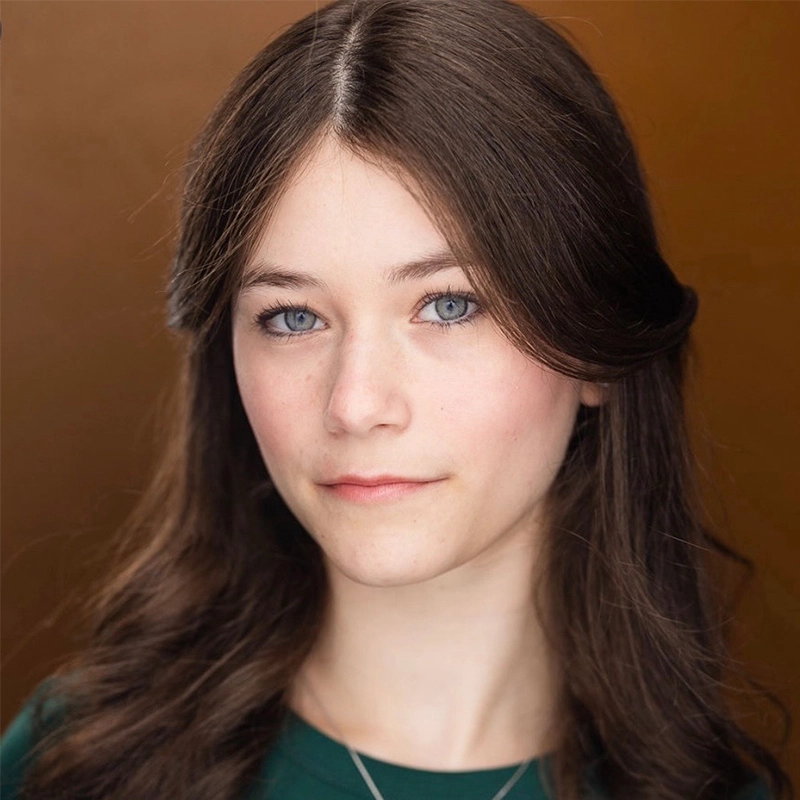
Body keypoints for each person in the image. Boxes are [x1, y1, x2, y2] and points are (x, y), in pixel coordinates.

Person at [0, 1, 793, 798]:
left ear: (594, 347)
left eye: (449, 304)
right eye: (293, 317)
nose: (355, 403)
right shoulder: (74, 766)